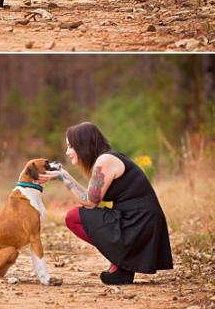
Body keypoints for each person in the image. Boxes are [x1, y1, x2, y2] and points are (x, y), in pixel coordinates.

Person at [40, 121, 173, 285]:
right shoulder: (105, 159)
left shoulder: (105, 160)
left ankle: (119, 262)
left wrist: (63, 176)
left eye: (70, 146)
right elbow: (92, 198)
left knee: (74, 217)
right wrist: (63, 175)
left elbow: (90, 202)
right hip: (137, 220)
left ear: (82, 145)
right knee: (80, 216)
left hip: (139, 222)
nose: (67, 152)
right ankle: (122, 267)